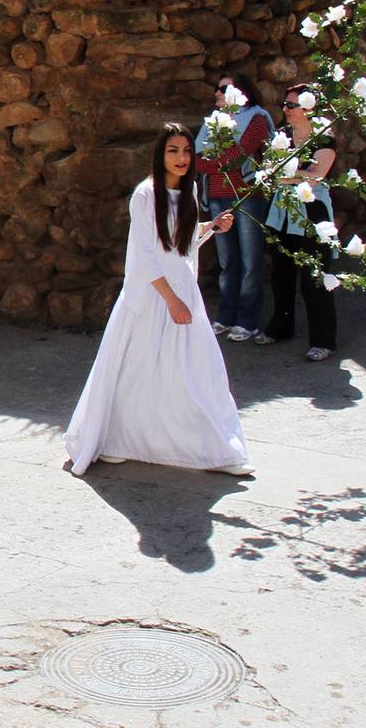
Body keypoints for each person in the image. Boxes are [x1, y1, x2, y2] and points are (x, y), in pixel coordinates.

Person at [64, 124, 252, 476]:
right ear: (160, 154)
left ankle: (216, 450)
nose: (182, 158)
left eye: (186, 151)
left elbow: (179, 241)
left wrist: (211, 226)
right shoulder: (145, 195)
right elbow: (145, 253)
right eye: (173, 151)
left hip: (182, 289)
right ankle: (114, 439)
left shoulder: (190, 190)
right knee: (135, 370)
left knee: (199, 371)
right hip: (151, 295)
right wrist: (171, 300)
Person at [261, 84, 339, 362]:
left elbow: (317, 175)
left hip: (311, 210)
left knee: (314, 276)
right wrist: (291, 174)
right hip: (282, 209)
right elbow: (269, 167)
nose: (286, 109)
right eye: (285, 104)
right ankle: (280, 327)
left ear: (309, 108)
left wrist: (287, 175)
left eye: (292, 105)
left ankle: (323, 339)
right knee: (281, 271)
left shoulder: (323, 138)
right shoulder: (281, 136)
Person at [197, 74, 273, 343]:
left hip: (247, 196)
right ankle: (226, 316)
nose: (216, 93)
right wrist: (216, 162)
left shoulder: (256, 118)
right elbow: (196, 159)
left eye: (223, 89)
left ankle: (248, 320)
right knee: (227, 261)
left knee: (251, 261)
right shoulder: (212, 122)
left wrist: (214, 161)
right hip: (218, 197)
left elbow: (240, 154)